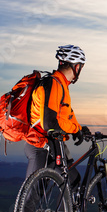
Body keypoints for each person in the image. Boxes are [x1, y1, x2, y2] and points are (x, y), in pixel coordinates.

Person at [23, 44, 88, 189]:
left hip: (54, 144)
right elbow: (50, 123)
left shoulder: (61, 84)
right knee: (32, 195)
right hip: (41, 145)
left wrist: (78, 129)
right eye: (81, 67)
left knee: (74, 183)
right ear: (76, 67)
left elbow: (66, 115)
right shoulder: (53, 84)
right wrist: (73, 130)